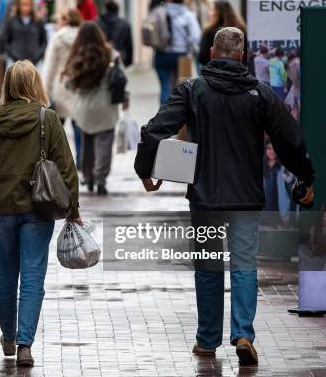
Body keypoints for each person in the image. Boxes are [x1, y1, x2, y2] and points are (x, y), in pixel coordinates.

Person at [134, 27, 315, 366]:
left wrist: (146, 169)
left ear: (213, 54)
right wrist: (305, 177)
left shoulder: (192, 90)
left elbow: (154, 129)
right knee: (244, 265)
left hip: (205, 197)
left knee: (208, 266)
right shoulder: (259, 94)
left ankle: (206, 340)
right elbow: (289, 138)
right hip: (246, 196)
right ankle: (243, 334)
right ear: (243, 57)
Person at [0, 60, 80, 367]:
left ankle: (9, 336)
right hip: (39, 209)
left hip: (1, 209)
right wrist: (72, 210)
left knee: (6, 275)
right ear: (35, 85)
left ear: (7, 87)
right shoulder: (47, 119)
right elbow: (66, 168)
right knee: (33, 276)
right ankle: (25, 344)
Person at [63, 22, 119, 196]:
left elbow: (69, 83)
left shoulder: (76, 56)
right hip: (106, 104)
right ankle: (101, 177)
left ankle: (89, 177)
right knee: (105, 144)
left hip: (85, 107)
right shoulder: (110, 53)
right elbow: (120, 77)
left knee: (87, 143)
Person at [43, 8, 83, 167]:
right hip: (79, 86)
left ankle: (58, 162)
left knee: (56, 129)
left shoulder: (57, 38)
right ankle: (81, 161)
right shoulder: (83, 36)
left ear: (65, 21)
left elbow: (50, 66)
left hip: (61, 87)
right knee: (79, 125)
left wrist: (45, 91)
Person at [154, 0, 201, 105]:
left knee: (165, 87)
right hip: (181, 55)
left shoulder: (160, 11)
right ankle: (178, 120)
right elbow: (196, 37)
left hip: (161, 55)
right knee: (182, 90)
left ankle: (163, 118)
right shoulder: (188, 15)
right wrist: (188, 45)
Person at [196, 0, 246, 67]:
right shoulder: (241, 31)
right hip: (237, 72)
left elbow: (201, 57)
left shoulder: (209, 32)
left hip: (212, 73)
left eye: (212, 10)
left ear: (218, 13)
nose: (209, 13)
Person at [1, 0, 47, 65]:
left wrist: (37, 57)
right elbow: (5, 41)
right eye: (22, 4)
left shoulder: (38, 21)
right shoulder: (12, 21)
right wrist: (13, 56)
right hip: (14, 62)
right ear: (19, 6)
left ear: (31, 6)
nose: (25, 7)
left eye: (27, 4)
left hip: (34, 62)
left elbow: (44, 42)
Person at [95, 0, 134, 67]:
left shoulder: (96, 23)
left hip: (101, 57)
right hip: (120, 57)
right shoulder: (125, 24)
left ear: (105, 9)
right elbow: (129, 44)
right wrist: (129, 61)